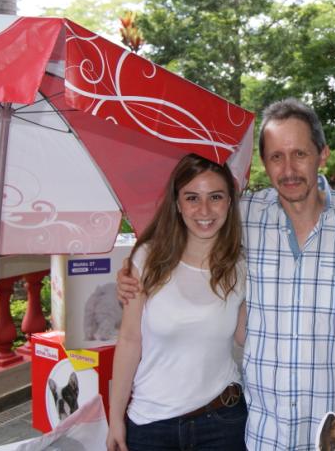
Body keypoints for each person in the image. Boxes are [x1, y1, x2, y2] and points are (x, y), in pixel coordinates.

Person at [116, 99, 335, 450]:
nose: (288, 169)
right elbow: (191, 230)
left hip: (333, 431)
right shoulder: (243, 215)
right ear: (265, 163)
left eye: (300, 154)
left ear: (322, 155)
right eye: (276, 157)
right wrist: (135, 270)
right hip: (264, 433)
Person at [106, 154, 247, 451]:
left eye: (216, 197)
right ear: (177, 203)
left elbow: (245, 335)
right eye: (192, 197)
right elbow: (129, 341)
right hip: (151, 425)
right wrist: (115, 418)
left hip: (222, 421)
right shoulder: (148, 259)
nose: (204, 210)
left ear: (230, 202)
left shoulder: (241, 267)